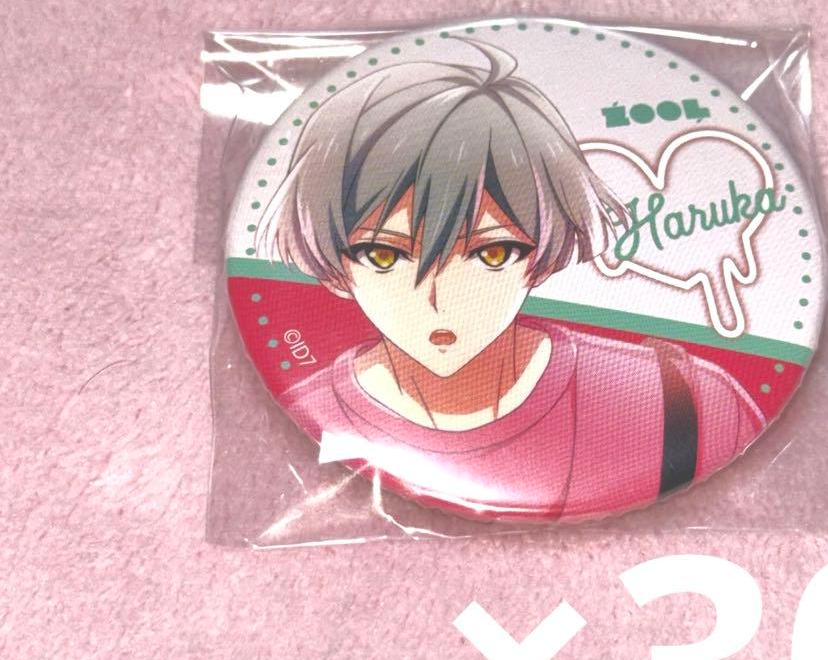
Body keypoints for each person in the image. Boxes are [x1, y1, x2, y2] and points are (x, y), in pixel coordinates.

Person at [259, 40, 764, 520]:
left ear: (542, 251)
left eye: (491, 253)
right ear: (335, 263)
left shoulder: (680, 405)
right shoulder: (307, 418)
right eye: (385, 255)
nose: (440, 300)